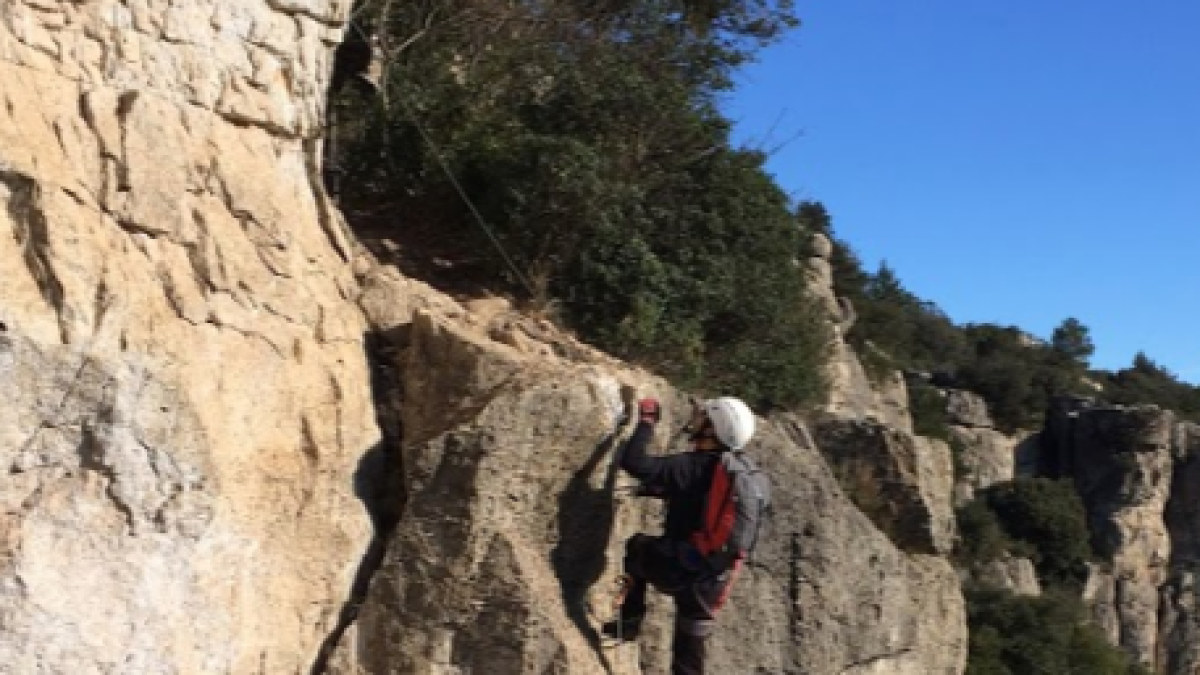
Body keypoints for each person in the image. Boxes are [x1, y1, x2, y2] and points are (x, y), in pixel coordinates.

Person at [603, 396, 757, 675]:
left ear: (712, 429)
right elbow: (700, 499)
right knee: (687, 664)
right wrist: (656, 490)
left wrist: (647, 421)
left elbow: (634, 462)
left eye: (704, 417)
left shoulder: (690, 465)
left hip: (682, 569)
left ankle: (630, 619)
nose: (696, 420)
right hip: (714, 580)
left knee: (637, 547)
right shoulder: (734, 473)